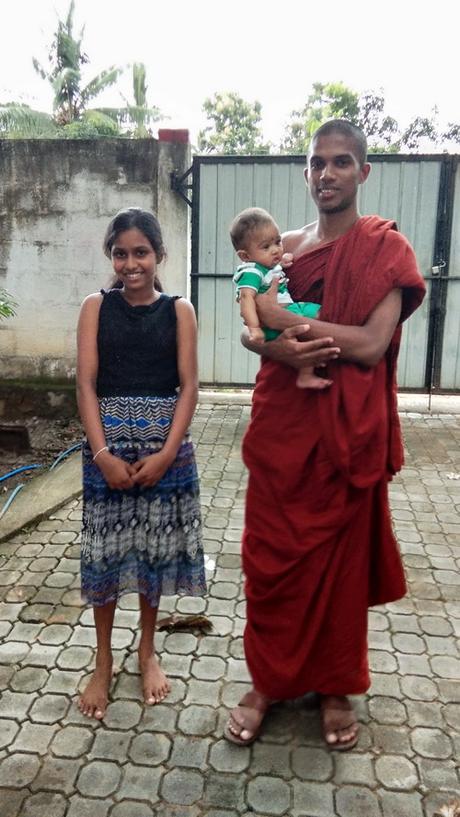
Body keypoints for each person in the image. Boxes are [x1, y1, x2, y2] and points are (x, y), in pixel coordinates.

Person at [225, 120, 426, 750]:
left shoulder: (385, 249)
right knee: (269, 560)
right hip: (285, 433)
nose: (327, 174)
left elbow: (368, 346)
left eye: (341, 162)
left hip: (346, 438)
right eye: (316, 163)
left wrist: (282, 322)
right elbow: (246, 329)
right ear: (305, 171)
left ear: (363, 172)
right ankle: (268, 680)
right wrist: (280, 351)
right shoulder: (280, 248)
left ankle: (335, 687)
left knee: (339, 571)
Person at [76, 207, 205, 720]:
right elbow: (85, 383)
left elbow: (189, 385)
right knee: (105, 556)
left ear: (158, 256)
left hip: (164, 450)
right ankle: (104, 659)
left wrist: (168, 452)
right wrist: (103, 454)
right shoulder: (94, 307)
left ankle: (146, 650)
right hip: (107, 448)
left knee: (153, 555)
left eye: (141, 253)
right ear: (112, 257)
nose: (131, 263)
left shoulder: (180, 311)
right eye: (121, 253)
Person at [230, 207, 330, 389]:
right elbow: (246, 299)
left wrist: (283, 262)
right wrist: (254, 328)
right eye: (266, 247)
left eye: (278, 242)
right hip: (274, 319)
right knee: (305, 333)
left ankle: (309, 371)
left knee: (321, 314)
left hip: (290, 309)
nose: (276, 250)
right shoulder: (251, 272)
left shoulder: (267, 266)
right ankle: (306, 375)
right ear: (245, 256)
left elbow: (275, 270)